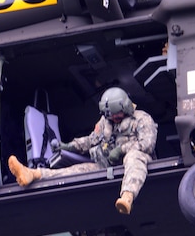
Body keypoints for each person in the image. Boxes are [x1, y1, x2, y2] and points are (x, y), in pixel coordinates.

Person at [8, 87, 157, 214]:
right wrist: (68, 146)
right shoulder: (106, 122)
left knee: (133, 158)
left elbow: (147, 144)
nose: (114, 118)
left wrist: (121, 149)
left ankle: (127, 197)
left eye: (116, 114)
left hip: (137, 162)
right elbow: (91, 140)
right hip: (107, 165)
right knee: (74, 171)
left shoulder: (142, 119)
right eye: (110, 115)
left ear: (125, 108)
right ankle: (32, 174)